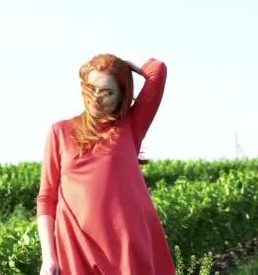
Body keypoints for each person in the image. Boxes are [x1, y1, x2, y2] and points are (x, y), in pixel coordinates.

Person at [36, 54, 176, 274]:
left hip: (126, 244)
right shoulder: (59, 132)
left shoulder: (130, 126)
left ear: (122, 96)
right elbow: (47, 198)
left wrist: (124, 68)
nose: (97, 98)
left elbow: (157, 70)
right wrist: (48, 257)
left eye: (107, 92)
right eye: (92, 89)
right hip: (77, 244)